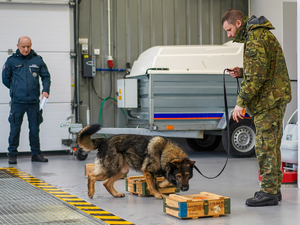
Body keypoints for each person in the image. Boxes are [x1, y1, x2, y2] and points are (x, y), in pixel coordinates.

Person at [221, 9, 292, 207]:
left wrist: (240, 102)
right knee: (272, 145)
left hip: (268, 101)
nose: (229, 35)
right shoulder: (258, 34)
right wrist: (242, 71)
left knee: (264, 146)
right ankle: (273, 189)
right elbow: (260, 69)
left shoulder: (254, 38)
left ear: (238, 23)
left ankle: (268, 192)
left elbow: (257, 76)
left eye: (229, 30)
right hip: (274, 97)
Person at [2, 36, 51, 164]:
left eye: (28, 46)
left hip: (34, 102)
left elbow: (46, 76)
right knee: (15, 128)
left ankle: (36, 154)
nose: (26, 49)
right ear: (17, 46)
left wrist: (45, 90)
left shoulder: (37, 60)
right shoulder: (11, 61)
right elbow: (5, 79)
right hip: (18, 102)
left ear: (31, 45)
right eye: (23, 47)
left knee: (35, 129)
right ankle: (12, 154)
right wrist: (15, 89)